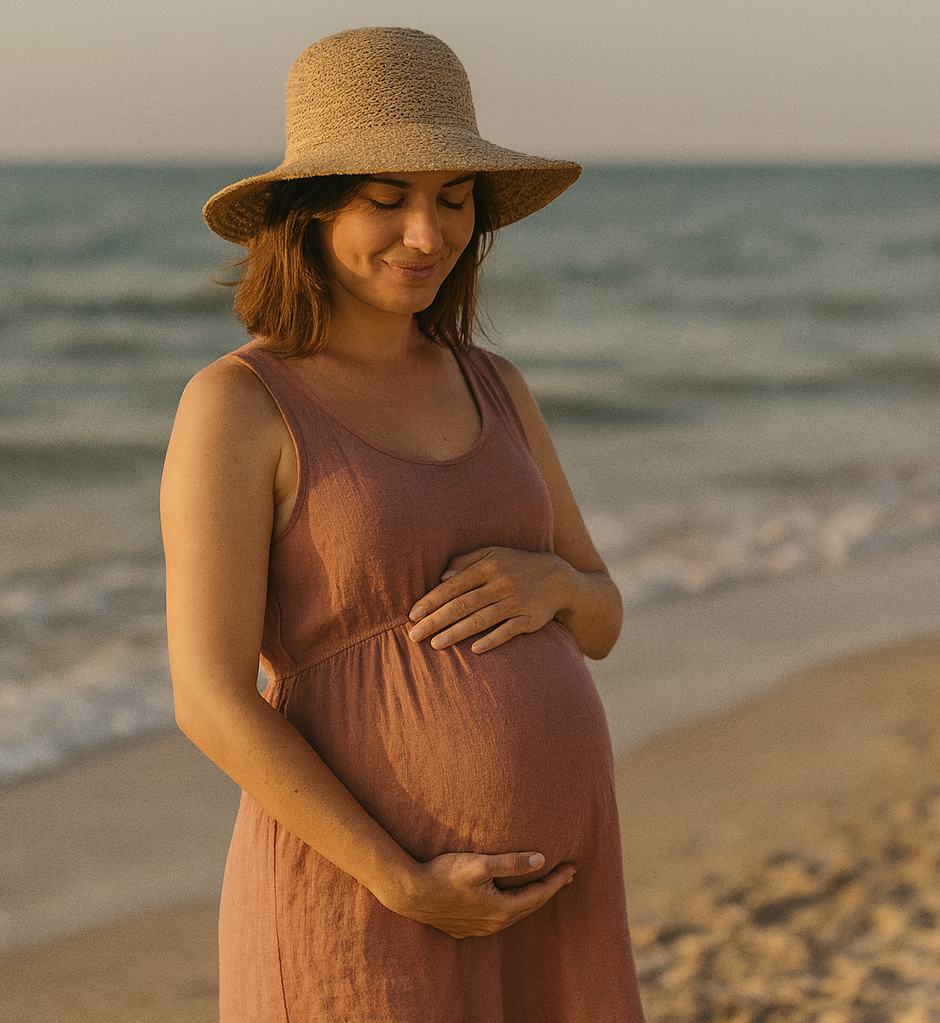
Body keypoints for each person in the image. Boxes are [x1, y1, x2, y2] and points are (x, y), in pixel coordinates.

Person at [159, 26, 647, 1022]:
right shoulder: (240, 403)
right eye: (387, 201)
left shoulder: (494, 385)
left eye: (452, 200)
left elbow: (602, 619)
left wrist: (555, 585)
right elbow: (208, 697)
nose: (427, 235)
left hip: (558, 901)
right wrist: (400, 879)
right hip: (362, 898)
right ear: (308, 211)